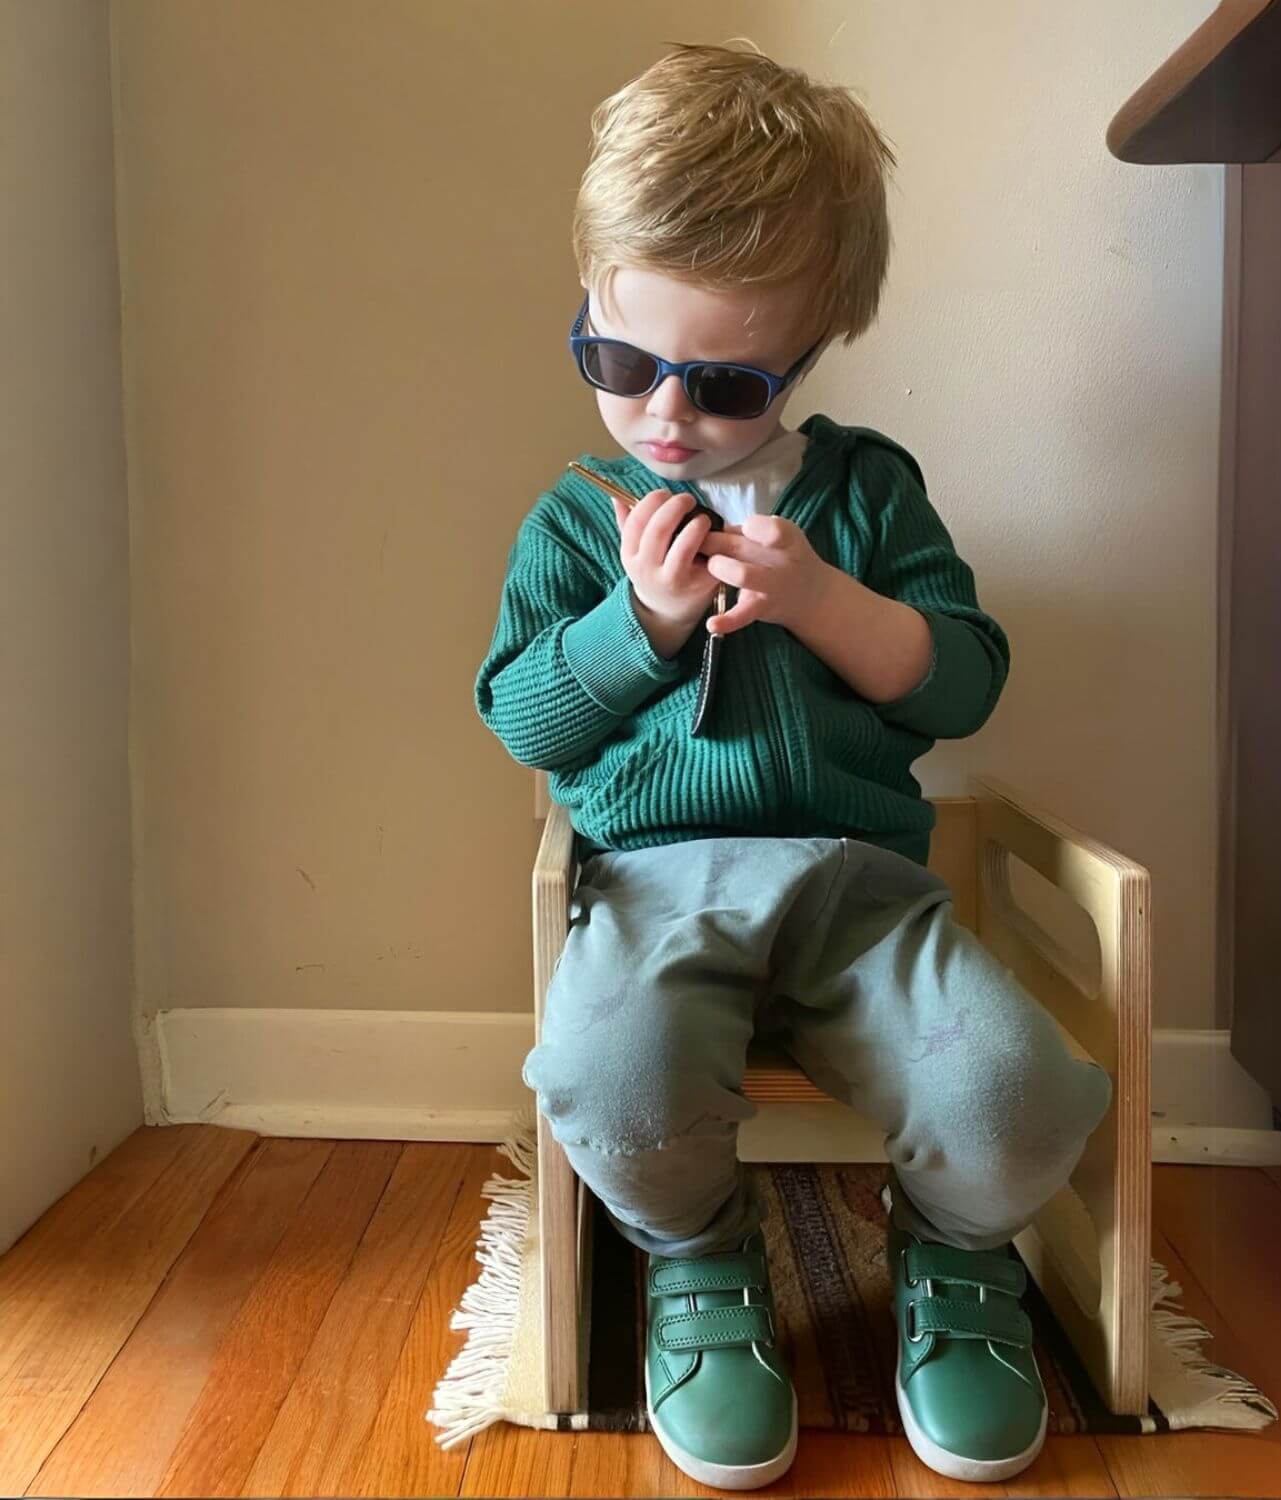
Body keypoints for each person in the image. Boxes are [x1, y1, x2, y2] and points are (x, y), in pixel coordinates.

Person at [474, 40, 1112, 1491]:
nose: (666, 417)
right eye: (621, 362)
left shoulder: (866, 491)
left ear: (811, 353)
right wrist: (637, 626)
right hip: (648, 890)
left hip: (859, 886)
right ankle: (698, 1258)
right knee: (607, 1077)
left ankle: (958, 1253)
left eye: (724, 380)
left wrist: (827, 601)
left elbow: (962, 678)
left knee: (1011, 1083)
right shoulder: (581, 522)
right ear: (587, 305)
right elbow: (524, 721)